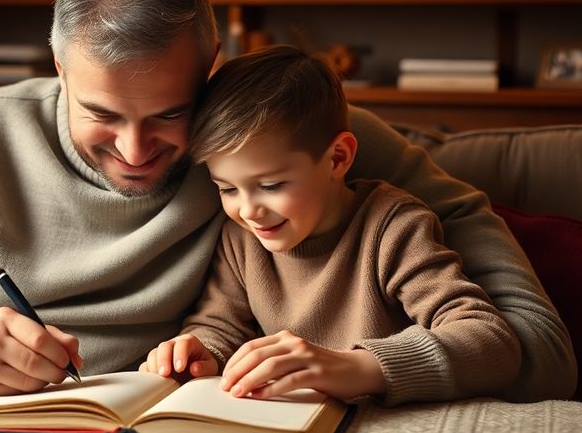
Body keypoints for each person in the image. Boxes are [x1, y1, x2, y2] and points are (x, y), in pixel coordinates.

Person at [0, 0, 575, 403]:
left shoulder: (267, 136)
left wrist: (381, 362)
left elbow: (530, 341)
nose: (134, 150)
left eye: (168, 114)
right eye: (101, 114)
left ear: (212, 71)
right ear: (57, 65)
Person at [140, 45, 522, 404]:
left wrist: (358, 367)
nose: (249, 210)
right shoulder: (241, 239)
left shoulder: (392, 228)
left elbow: (489, 341)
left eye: (271, 185)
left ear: (338, 158)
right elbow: (220, 325)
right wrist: (198, 350)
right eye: (227, 188)